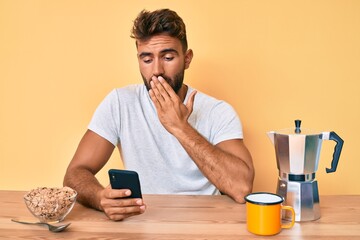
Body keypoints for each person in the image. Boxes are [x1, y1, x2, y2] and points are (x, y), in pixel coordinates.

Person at [63, 8, 255, 221]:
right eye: (147, 59)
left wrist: (180, 127)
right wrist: (100, 198)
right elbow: (75, 173)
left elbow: (241, 188)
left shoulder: (218, 111)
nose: (157, 71)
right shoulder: (120, 102)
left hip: (204, 223)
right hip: (142, 222)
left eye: (168, 57)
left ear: (187, 59)